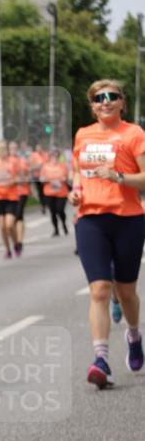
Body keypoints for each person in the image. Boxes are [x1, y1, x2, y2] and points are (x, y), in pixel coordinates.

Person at [70, 80, 145, 388]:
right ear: (92, 106)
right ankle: (100, 359)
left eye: (111, 97)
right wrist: (75, 191)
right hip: (90, 219)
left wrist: (118, 177)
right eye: (99, 98)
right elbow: (78, 171)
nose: (105, 102)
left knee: (126, 291)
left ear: (121, 103)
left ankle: (134, 334)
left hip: (128, 218)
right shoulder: (83, 135)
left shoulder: (134, 134)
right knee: (100, 289)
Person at [0, 140, 20, 259]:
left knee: (9, 225)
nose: (2, 151)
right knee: (2, 226)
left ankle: (16, 243)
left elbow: (20, 176)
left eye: (4, 148)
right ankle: (7, 249)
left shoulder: (12, 162)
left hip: (11, 197)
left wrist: (14, 180)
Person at [39, 147, 70, 236]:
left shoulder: (63, 166)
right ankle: (56, 229)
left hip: (61, 193)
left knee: (60, 210)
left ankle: (64, 224)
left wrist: (65, 179)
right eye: (52, 155)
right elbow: (41, 178)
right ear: (50, 156)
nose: (54, 158)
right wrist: (44, 179)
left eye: (56, 155)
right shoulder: (45, 166)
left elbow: (68, 178)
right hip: (49, 193)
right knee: (52, 212)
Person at [10, 140, 30, 255]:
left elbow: (26, 176)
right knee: (11, 220)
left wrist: (19, 178)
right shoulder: (5, 162)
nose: (12, 150)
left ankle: (20, 241)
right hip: (10, 194)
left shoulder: (21, 161)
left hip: (22, 191)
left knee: (19, 215)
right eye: (11, 148)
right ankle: (16, 240)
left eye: (14, 148)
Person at [29, 143, 47, 214]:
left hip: (45, 176)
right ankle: (43, 205)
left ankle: (45, 203)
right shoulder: (33, 156)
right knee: (40, 191)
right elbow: (30, 166)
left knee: (45, 190)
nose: (39, 149)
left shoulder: (45, 154)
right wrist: (37, 167)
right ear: (36, 148)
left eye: (40, 147)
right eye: (37, 147)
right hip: (37, 176)